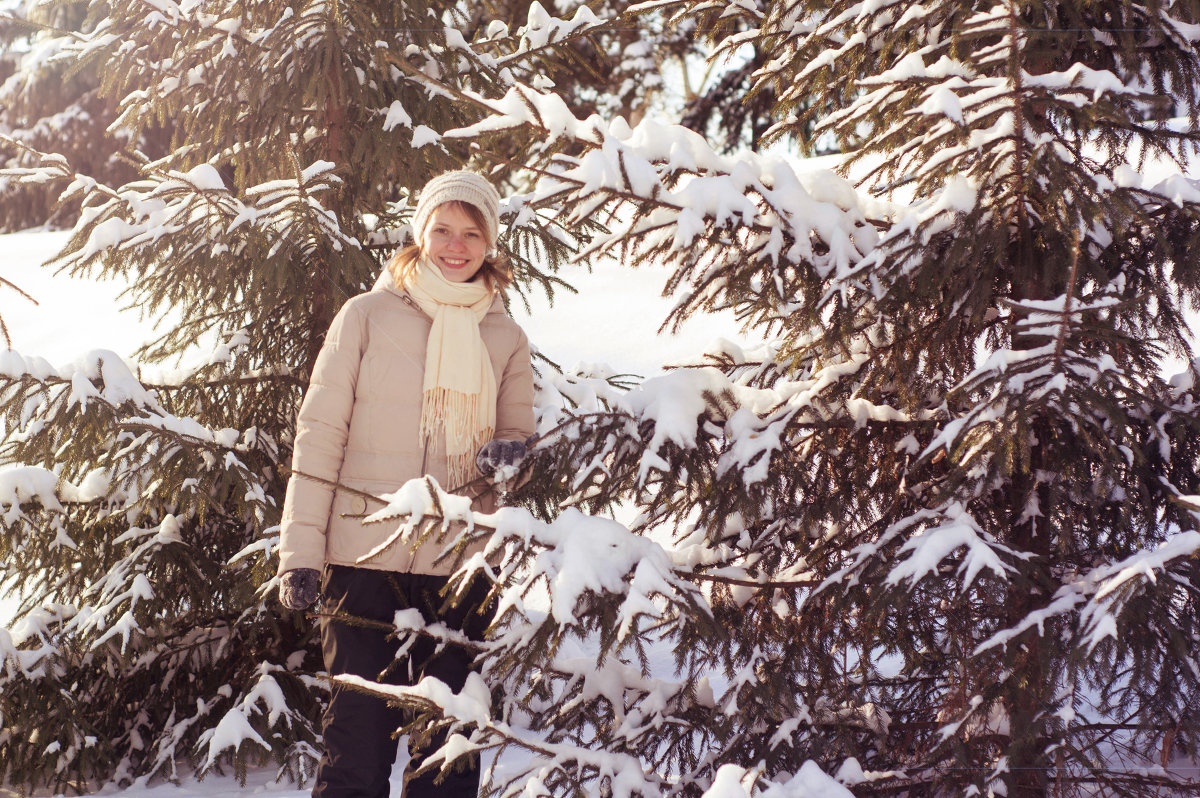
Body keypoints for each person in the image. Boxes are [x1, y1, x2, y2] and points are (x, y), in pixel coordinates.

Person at [275, 170, 535, 798]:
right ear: (420, 234)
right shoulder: (364, 317)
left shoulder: (505, 337)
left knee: (448, 749)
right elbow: (318, 439)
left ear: (489, 243)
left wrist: (512, 455)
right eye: (442, 228)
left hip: (460, 563)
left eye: (472, 232)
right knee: (356, 744)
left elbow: (520, 443)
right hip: (361, 558)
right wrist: (300, 554)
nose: (456, 244)